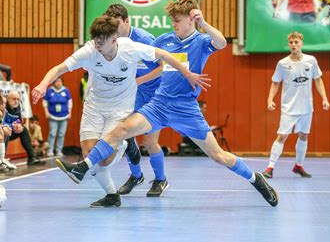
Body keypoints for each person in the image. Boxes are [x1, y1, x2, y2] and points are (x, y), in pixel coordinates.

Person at [55, 0, 279, 208]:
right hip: (159, 104)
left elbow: (220, 42)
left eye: (177, 20)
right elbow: (144, 59)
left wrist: (204, 23)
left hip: (186, 109)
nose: (173, 24)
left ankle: (255, 179)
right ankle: (83, 168)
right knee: (122, 129)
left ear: (192, 19)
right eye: (171, 20)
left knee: (219, 156)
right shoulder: (164, 40)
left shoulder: (201, 41)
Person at [31, 15, 208, 207]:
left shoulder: (130, 48)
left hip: (120, 109)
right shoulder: (89, 51)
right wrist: (42, 85)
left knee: (104, 160)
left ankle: (124, 143)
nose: (98, 44)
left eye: (102, 40)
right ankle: (112, 195)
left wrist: (187, 73)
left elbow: (164, 56)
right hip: (94, 108)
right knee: (90, 153)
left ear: (114, 39)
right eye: (95, 39)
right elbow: (58, 69)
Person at [103, 4, 166, 197]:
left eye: (117, 25)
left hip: (154, 93)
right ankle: (136, 175)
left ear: (127, 21)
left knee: (149, 141)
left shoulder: (144, 39)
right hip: (133, 94)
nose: (114, 30)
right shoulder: (113, 40)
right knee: (124, 133)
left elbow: (162, 67)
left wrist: (138, 80)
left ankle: (160, 179)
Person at [263, 32, 330, 179]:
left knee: (304, 136)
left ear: (302, 44)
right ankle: (270, 167)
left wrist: (324, 98)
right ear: (289, 44)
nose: (293, 45)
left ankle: (298, 166)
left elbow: (318, 80)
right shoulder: (282, 63)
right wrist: (270, 99)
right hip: (289, 108)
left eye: (296, 42)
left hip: (306, 107)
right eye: (291, 42)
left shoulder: (311, 61)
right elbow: (275, 82)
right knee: (282, 136)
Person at [4, 91, 44, 165]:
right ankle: (2, 159)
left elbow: (18, 120)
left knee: (23, 129)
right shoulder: (3, 106)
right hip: (2, 130)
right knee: (5, 130)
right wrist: (11, 126)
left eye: (18, 99)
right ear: (8, 99)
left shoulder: (18, 107)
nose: (16, 101)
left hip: (11, 130)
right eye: (14, 99)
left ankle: (32, 157)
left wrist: (19, 126)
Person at [42, 77, 72, 157]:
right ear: (53, 83)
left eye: (60, 81)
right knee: (52, 133)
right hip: (52, 116)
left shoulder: (66, 90)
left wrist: (70, 112)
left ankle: (59, 150)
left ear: (62, 82)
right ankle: (50, 150)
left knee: (61, 134)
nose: (58, 83)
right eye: (56, 81)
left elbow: (69, 101)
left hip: (64, 115)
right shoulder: (49, 91)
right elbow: (45, 102)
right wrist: (46, 112)